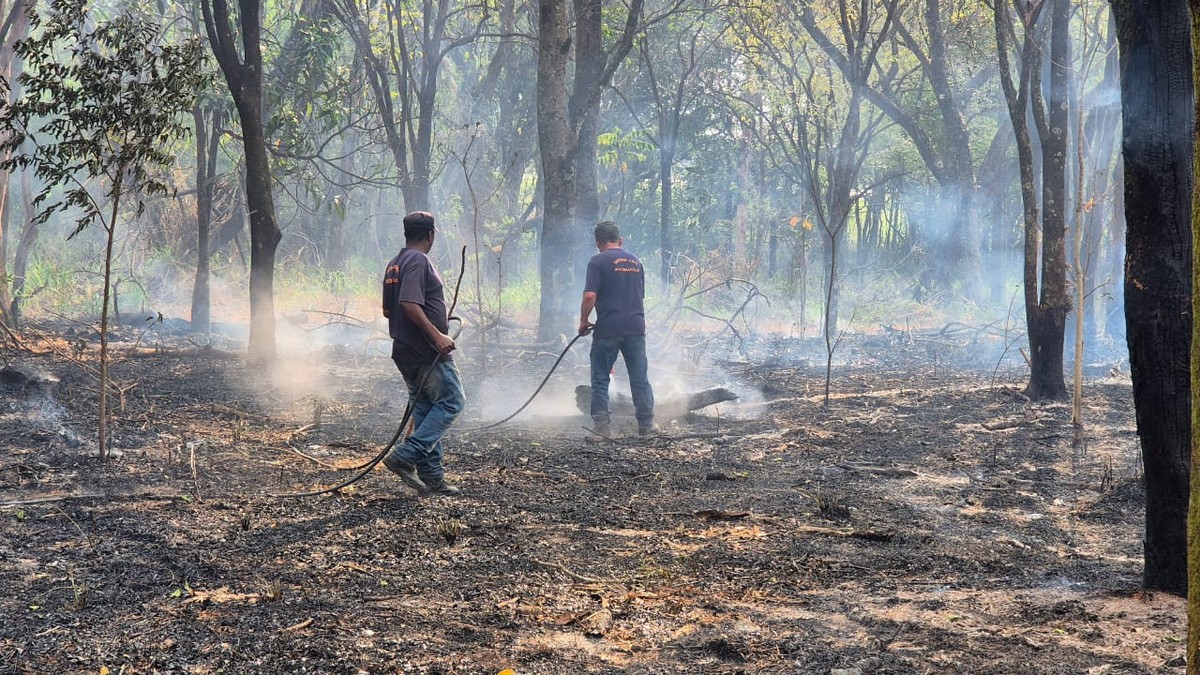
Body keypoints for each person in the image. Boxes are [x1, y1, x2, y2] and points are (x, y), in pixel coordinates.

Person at [381, 211, 465, 496]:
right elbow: (407, 303)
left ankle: (433, 477)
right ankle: (406, 456)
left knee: (427, 410)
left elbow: (387, 310)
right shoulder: (418, 260)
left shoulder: (395, 264)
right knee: (453, 401)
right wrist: (437, 334)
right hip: (425, 351)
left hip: (404, 350)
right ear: (431, 235)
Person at [578, 221, 655, 437]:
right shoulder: (636, 262)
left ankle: (602, 428)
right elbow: (638, 296)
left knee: (601, 378)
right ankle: (647, 426)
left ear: (597, 243)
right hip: (635, 328)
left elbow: (590, 295)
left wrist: (584, 321)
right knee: (640, 377)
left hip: (608, 329)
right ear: (620, 240)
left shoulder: (597, 261)